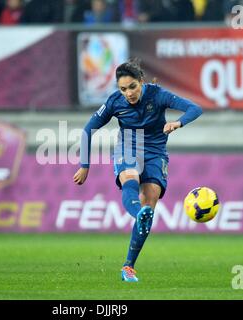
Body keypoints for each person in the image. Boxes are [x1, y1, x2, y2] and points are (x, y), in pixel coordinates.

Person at [73, 59, 203, 282]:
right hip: (128, 146)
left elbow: (195, 108)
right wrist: (85, 165)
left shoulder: (158, 95)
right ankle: (138, 213)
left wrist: (178, 123)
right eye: (123, 89)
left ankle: (128, 266)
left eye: (132, 87)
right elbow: (88, 130)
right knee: (130, 180)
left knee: (150, 197)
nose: (128, 93)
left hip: (155, 151)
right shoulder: (115, 102)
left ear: (141, 82)